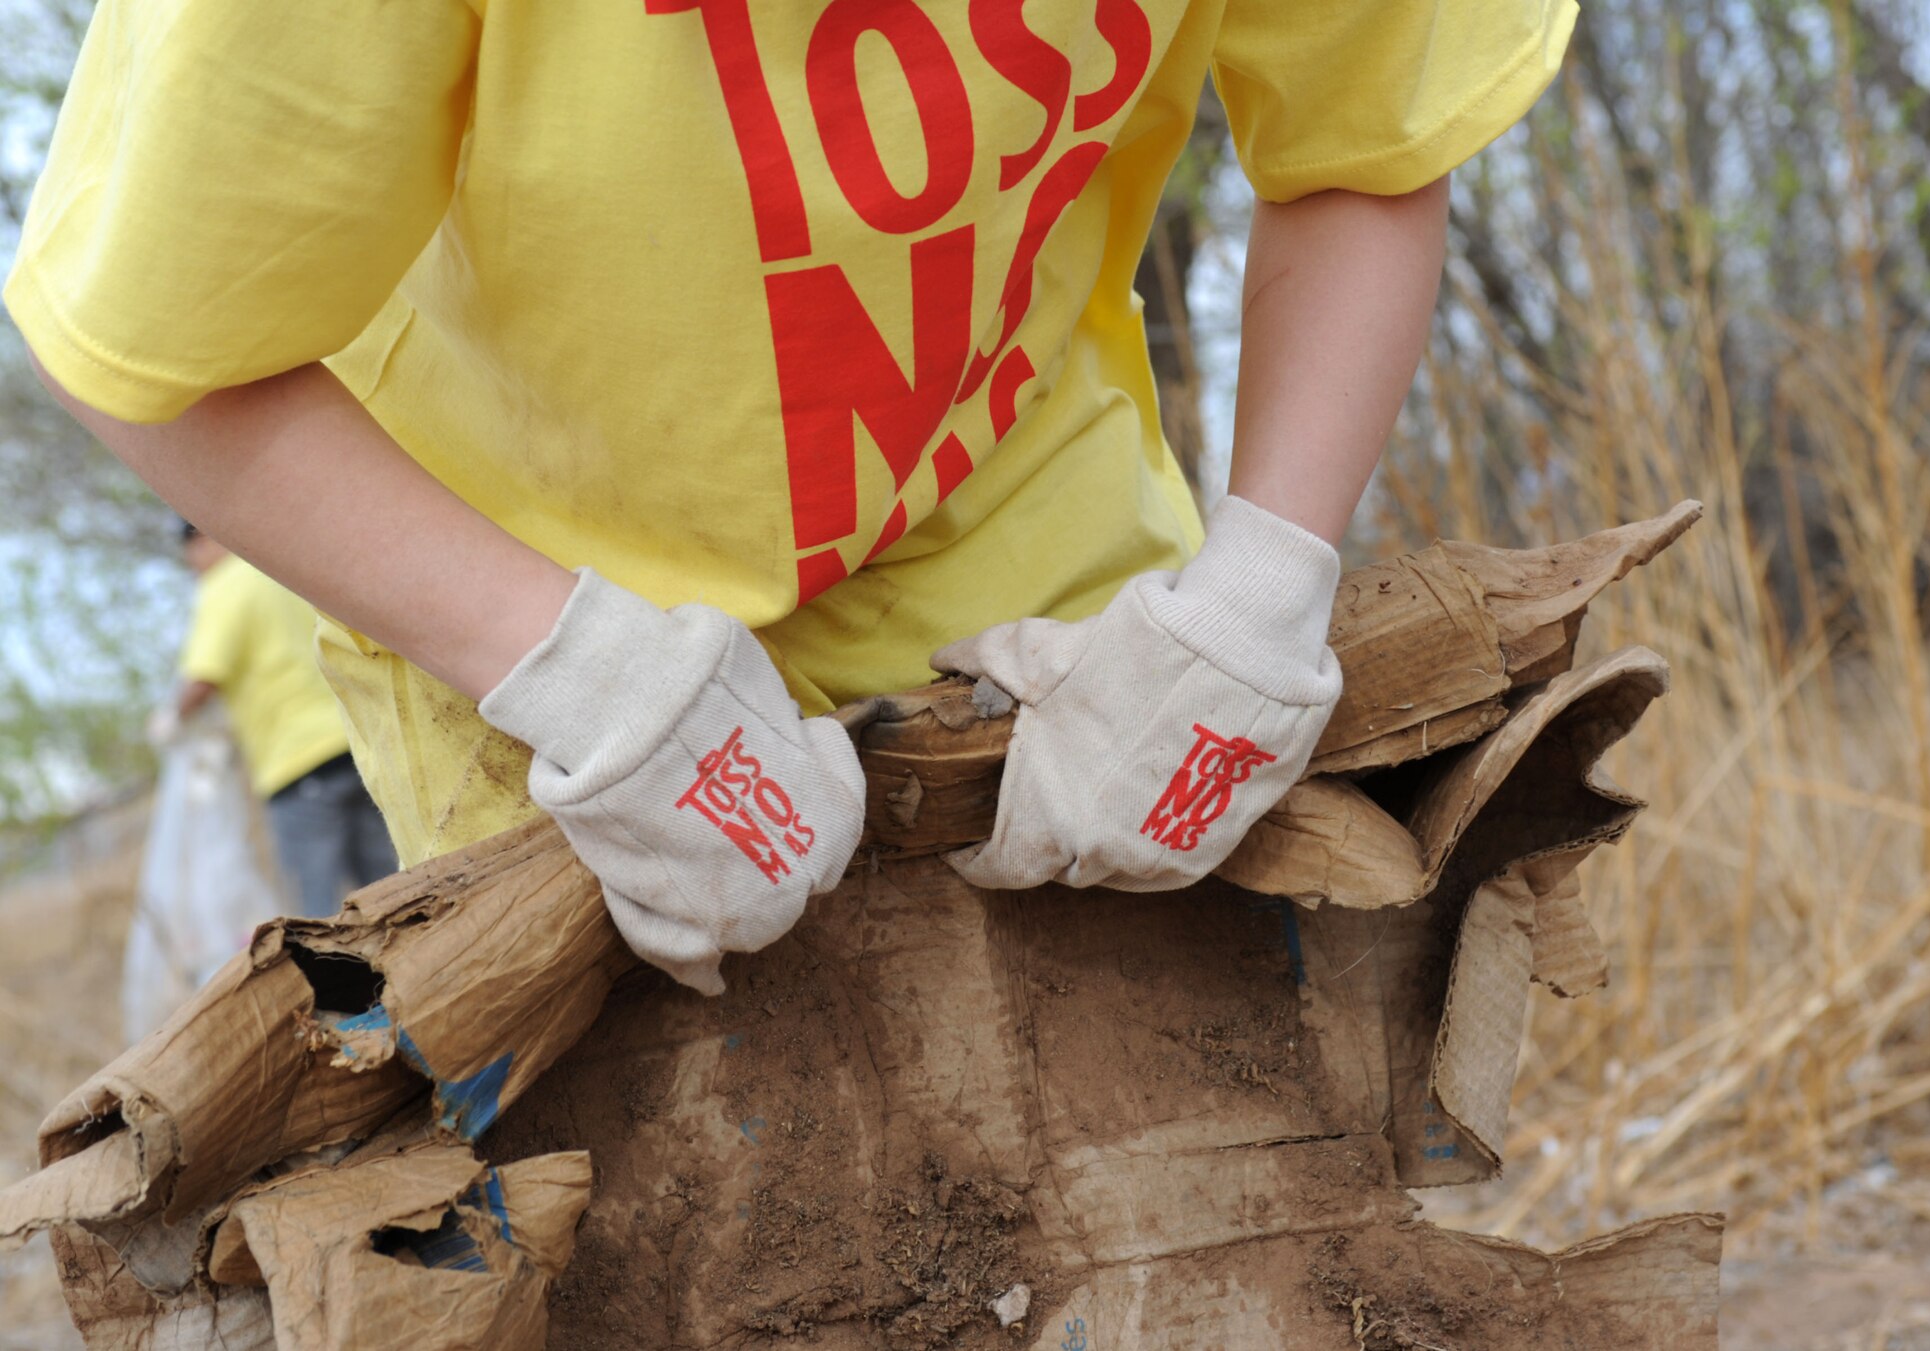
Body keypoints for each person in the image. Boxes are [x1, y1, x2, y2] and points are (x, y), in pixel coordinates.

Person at [8, 0, 1574, 994]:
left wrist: (1261, 592)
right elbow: (150, 348)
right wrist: (570, 667)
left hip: (1060, 629)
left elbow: (1366, 137)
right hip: (538, 656)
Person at [165, 521, 400, 917]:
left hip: (296, 763)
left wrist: (171, 718)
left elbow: (203, 677)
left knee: (316, 907)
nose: (191, 564)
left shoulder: (223, 587)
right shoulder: (275, 570)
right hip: (353, 742)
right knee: (390, 884)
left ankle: (344, 979)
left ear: (202, 539)